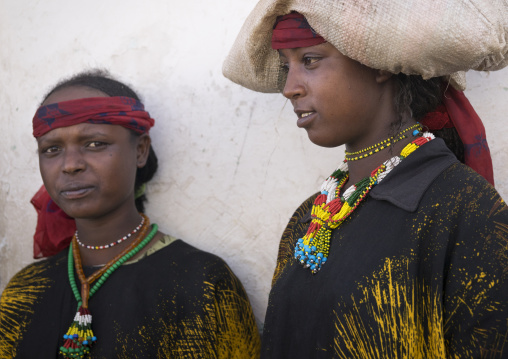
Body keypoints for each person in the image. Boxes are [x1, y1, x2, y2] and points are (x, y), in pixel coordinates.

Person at [223, 0, 508, 357]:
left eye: (309, 61)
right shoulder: (309, 218)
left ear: (378, 65)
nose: (289, 87)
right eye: (286, 67)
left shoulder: (464, 212)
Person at [0, 70, 260, 358]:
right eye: (52, 149)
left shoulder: (200, 284)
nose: (70, 164)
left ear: (140, 150)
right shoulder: (25, 291)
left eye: (94, 143)